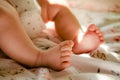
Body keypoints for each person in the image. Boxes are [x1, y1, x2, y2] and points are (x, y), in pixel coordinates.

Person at [0, 0, 104, 71]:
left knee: (57, 7)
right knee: (2, 15)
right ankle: (39, 57)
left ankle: (77, 39)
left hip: (26, 7)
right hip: (5, 19)